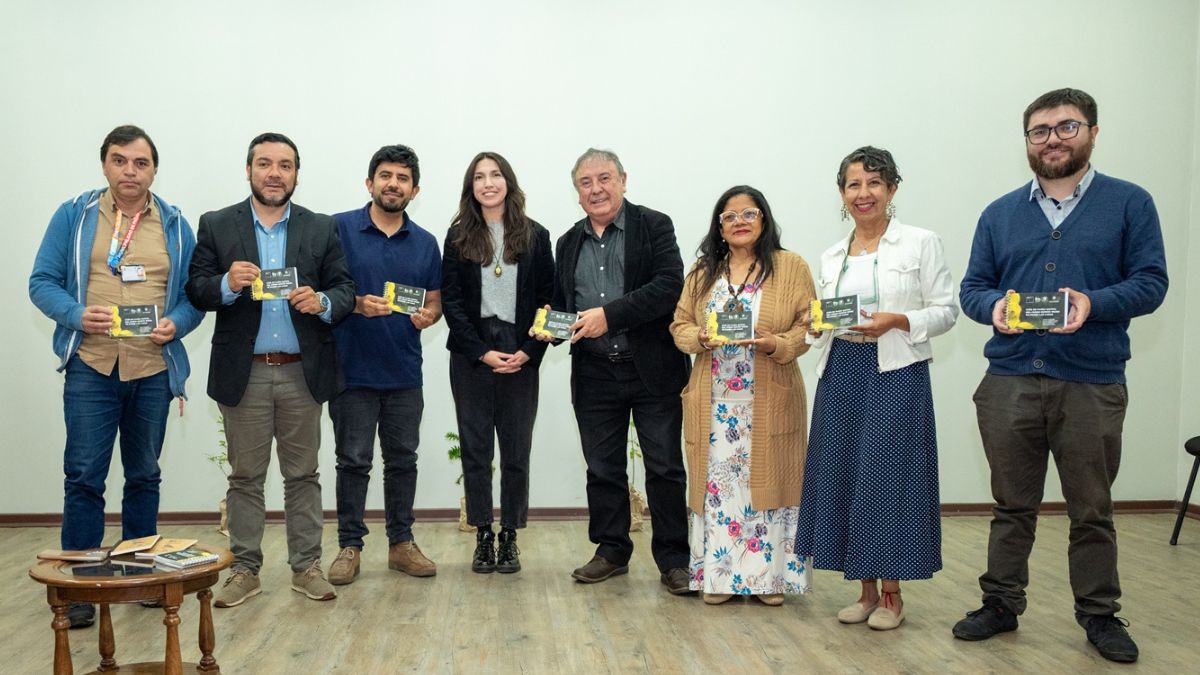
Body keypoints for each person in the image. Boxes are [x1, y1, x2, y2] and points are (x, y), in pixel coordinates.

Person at [954, 88, 1167, 662]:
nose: (1052, 139)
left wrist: (1093, 303)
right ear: (1027, 141)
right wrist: (993, 308)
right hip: (1009, 380)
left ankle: (1099, 615)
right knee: (1011, 505)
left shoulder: (1129, 203)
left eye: (1066, 127)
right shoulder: (999, 213)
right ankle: (1000, 603)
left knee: (1091, 509)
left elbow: (1151, 282)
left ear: (1093, 132)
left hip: (1092, 381)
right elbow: (973, 288)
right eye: (1039, 131)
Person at [30, 124, 204, 628]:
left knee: (144, 475)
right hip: (92, 365)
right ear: (105, 164)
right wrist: (75, 314)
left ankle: (139, 576)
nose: (130, 171)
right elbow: (41, 281)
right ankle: (81, 588)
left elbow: (193, 297)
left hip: (152, 369)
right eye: (120, 160)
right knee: (84, 476)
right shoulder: (74, 215)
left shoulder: (175, 223)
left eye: (141, 163)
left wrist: (177, 323)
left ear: (154, 170)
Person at [186, 132, 355, 608]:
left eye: (285, 165)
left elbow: (345, 289)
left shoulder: (320, 227)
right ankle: (245, 570)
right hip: (246, 374)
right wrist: (225, 283)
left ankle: (306, 567)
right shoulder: (217, 224)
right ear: (249, 170)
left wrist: (322, 301)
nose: (274, 174)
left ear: (297, 174)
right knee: (245, 478)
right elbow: (195, 289)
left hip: (303, 372)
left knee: (303, 476)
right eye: (265, 164)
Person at [794, 146, 957, 630]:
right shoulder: (831, 255)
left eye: (873, 183)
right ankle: (864, 592)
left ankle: (892, 596)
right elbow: (823, 322)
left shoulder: (920, 243)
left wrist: (899, 320)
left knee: (888, 479)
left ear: (891, 189)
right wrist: (814, 323)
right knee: (846, 475)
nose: (863, 193)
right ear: (841, 193)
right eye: (853, 185)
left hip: (896, 370)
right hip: (841, 369)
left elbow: (947, 311)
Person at [533, 148, 691, 594]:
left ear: (623, 180)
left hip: (652, 370)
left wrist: (609, 316)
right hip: (595, 373)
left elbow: (669, 287)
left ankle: (674, 560)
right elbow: (566, 306)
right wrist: (550, 327)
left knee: (664, 468)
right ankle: (611, 550)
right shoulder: (568, 242)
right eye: (586, 182)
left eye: (604, 178)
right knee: (602, 469)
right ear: (577, 192)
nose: (596, 189)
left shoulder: (654, 225)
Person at [669, 185, 816, 606]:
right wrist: (699, 337)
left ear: (764, 219)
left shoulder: (790, 266)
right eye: (729, 216)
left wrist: (776, 343)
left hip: (769, 401)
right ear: (719, 227)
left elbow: (809, 325)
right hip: (714, 407)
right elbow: (679, 325)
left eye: (748, 213)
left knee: (770, 489)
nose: (739, 222)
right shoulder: (703, 272)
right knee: (719, 493)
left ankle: (770, 582)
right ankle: (720, 580)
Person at [325, 145, 442, 585]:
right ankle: (349, 546)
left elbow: (435, 299)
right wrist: (355, 304)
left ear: (415, 190)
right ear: (369, 182)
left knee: (403, 461)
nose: (394, 184)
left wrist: (430, 315)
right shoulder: (337, 229)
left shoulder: (426, 243)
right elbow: (319, 291)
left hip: (404, 373)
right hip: (350, 370)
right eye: (386, 176)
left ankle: (401, 544)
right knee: (353, 462)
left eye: (403, 178)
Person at [443, 152, 553, 574]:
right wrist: (480, 351)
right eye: (479, 177)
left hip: (520, 348)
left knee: (516, 450)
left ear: (508, 181)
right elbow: (452, 302)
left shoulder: (536, 235)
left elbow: (549, 300)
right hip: (472, 353)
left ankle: (509, 536)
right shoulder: (458, 236)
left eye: (495, 175)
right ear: (470, 187)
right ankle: (483, 535)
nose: (488, 183)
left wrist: (530, 351)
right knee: (475, 450)